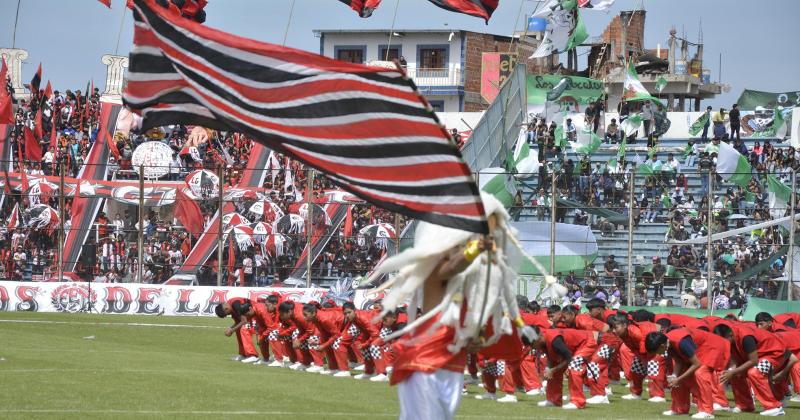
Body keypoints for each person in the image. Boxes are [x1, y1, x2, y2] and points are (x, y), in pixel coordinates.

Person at [372, 194, 534, 420]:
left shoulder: (469, 279)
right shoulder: (436, 267)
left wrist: (474, 338)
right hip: (426, 360)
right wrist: (474, 249)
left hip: (452, 364)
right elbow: (450, 268)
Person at [645, 328, 731, 418]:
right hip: (700, 351)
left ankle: (707, 411)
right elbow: (679, 361)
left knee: (700, 373)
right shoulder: (668, 343)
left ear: (662, 346)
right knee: (677, 377)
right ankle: (679, 409)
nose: (657, 354)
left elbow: (696, 364)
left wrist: (679, 379)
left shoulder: (682, 342)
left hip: (713, 347)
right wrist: (674, 376)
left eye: (656, 351)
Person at [713, 322, 790, 416]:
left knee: (754, 372)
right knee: (736, 374)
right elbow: (734, 361)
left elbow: (753, 361)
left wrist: (733, 372)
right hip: (760, 356)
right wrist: (731, 371)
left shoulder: (746, 337)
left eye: (723, 340)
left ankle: (774, 407)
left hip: (774, 354)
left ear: (730, 335)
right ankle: (745, 405)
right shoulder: (731, 339)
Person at [526, 327, 598, 409]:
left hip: (586, 342)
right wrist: (548, 368)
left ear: (538, 337)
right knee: (552, 370)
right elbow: (551, 357)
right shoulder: (543, 341)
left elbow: (568, 357)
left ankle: (578, 402)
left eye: (532, 344)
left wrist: (554, 369)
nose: (532, 347)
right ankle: (553, 400)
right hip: (573, 348)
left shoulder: (555, 341)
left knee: (574, 366)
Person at [214, 297, 259, 363]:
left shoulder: (236, 305)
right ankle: (243, 354)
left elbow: (244, 321)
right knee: (238, 330)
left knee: (244, 329)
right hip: (251, 318)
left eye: (227, 314)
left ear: (226, 309)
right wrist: (231, 329)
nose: (228, 315)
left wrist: (231, 330)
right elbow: (238, 322)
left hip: (257, 316)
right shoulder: (231, 307)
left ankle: (252, 355)